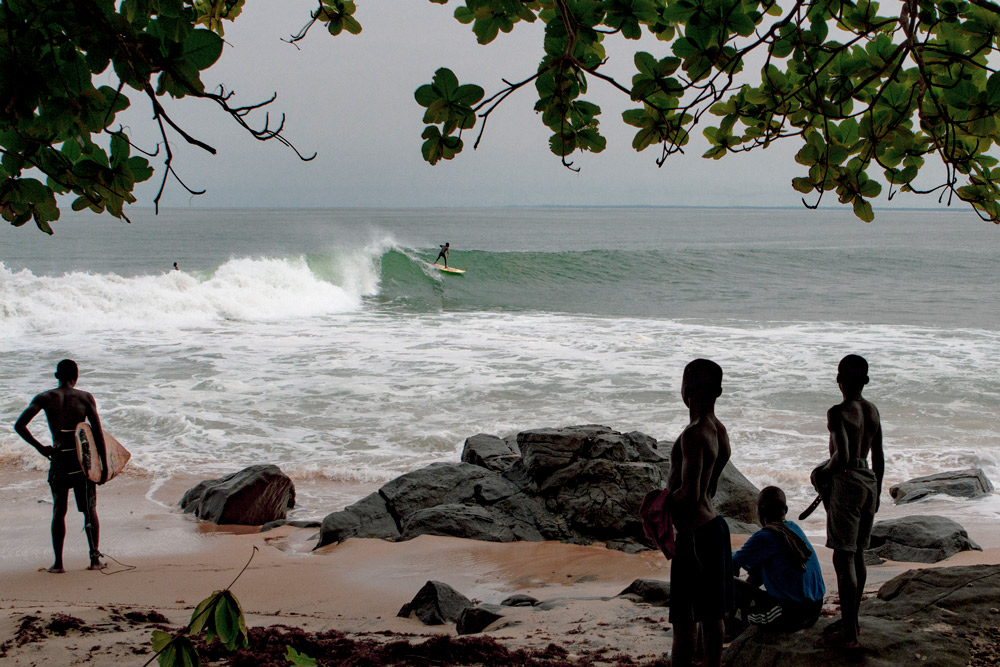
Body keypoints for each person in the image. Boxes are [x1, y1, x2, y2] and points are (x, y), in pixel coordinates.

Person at [665, 358, 733, 667]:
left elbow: (690, 495)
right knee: (712, 614)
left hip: (693, 535)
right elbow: (710, 491)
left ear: (686, 390)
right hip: (715, 528)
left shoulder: (693, 434)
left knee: (685, 619)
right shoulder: (719, 431)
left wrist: (661, 503)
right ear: (718, 391)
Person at [814, 354, 883, 649]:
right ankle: (853, 623)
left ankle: (850, 635)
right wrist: (877, 490)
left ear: (839, 380)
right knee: (858, 554)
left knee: (843, 557)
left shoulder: (837, 412)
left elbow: (840, 457)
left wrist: (819, 472)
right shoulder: (872, 411)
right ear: (865, 381)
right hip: (868, 480)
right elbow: (878, 456)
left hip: (848, 481)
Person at [14, 360, 108, 572]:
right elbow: (98, 433)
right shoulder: (85, 397)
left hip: (59, 460)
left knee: (59, 510)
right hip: (81, 462)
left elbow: (19, 425)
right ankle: (94, 560)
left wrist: (41, 448)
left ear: (57, 375)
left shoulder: (45, 398)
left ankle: (58, 564)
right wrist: (102, 465)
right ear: (76, 376)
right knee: (89, 509)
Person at [730, 486, 825, 635]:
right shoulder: (794, 529)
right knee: (760, 566)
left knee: (723, 580)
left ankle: (735, 624)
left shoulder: (765, 536)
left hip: (793, 614)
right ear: (785, 510)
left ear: (759, 512)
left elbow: (729, 566)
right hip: (815, 608)